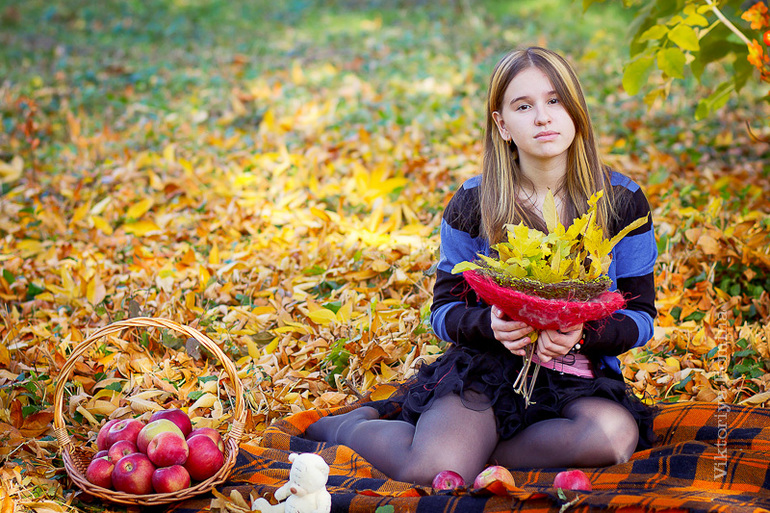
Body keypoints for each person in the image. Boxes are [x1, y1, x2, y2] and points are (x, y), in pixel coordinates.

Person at [306, 46, 658, 487]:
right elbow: (442, 312)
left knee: (611, 438)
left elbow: (641, 315)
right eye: (523, 106)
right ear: (502, 124)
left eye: (555, 101)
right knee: (431, 470)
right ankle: (349, 427)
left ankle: (469, 450)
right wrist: (490, 326)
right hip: (487, 371)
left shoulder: (621, 200)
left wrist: (583, 333)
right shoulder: (476, 202)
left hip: (578, 379)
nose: (543, 117)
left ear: (576, 110)